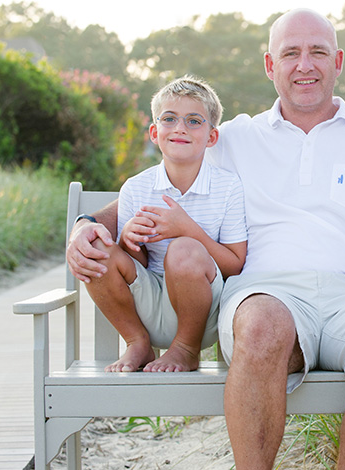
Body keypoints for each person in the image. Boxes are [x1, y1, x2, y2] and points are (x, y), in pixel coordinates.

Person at [66, 8, 345, 470]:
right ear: (270, 65)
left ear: (338, 61)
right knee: (262, 325)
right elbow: (156, 191)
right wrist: (89, 224)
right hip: (267, 293)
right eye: (290, 54)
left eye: (317, 53)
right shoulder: (233, 138)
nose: (304, 65)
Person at [78, 76, 247, 373]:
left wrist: (188, 230)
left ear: (211, 137)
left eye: (194, 120)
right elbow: (135, 267)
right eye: (170, 119)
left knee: (184, 249)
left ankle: (185, 349)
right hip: (146, 305)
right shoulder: (135, 187)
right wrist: (128, 242)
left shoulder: (228, 187)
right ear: (155, 132)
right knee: (98, 249)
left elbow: (234, 264)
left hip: (203, 312)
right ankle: (137, 342)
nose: (180, 128)